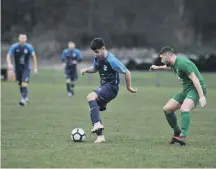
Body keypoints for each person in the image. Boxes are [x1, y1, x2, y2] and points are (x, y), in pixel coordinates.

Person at [80, 38, 137, 143]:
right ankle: (100, 137)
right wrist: (86, 70)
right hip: (104, 86)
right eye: (94, 52)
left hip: (111, 87)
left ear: (103, 48)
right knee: (93, 110)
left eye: (97, 52)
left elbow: (127, 72)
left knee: (90, 97)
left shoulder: (112, 60)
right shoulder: (97, 57)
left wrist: (129, 87)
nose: (95, 54)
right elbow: (95, 68)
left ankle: (97, 124)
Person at [150, 46, 207, 145]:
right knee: (167, 109)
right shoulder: (173, 63)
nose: (162, 61)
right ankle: (177, 132)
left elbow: (195, 79)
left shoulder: (182, 63)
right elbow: (168, 67)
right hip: (186, 90)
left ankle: (183, 136)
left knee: (184, 109)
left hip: (196, 89)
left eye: (162, 58)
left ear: (168, 56)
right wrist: (157, 67)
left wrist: (202, 96)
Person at [6, 34, 38, 106]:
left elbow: (34, 57)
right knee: (20, 83)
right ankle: (25, 97)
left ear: (26, 39)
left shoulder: (29, 47)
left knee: (24, 82)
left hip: (26, 68)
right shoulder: (14, 47)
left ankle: (23, 100)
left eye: (24, 38)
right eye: (21, 38)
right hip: (18, 69)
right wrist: (9, 63)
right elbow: (8, 55)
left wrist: (35, 68)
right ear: (19, 39)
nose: (22, 39)